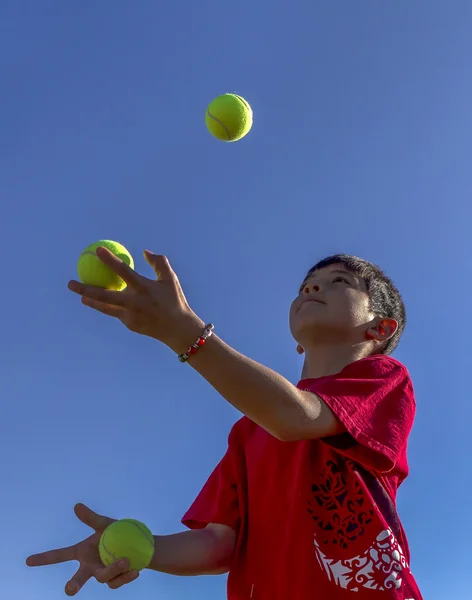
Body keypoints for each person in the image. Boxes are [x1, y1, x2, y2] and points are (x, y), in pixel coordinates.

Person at [26, 249, 423, 599]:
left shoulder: (384, 378)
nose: (312, 289)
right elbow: (219, 544)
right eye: (307, 285)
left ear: (380, 327)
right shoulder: (248, 430)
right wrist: (140, 548)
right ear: (297, 341)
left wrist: (184, 332)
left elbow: (295, 417)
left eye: (339, 282)